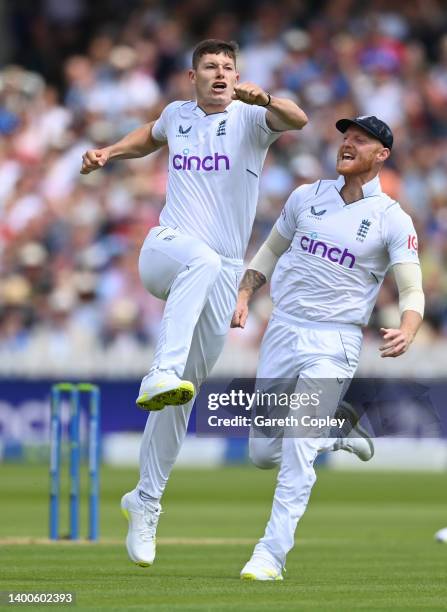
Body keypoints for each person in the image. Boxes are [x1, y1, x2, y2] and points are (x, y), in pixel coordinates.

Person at [80, 39, 308, 567]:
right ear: (193, 76)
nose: (221, 73)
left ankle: (145, 500)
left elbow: (298, 119)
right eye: (211, 66)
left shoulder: (253, 118)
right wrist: (110, 152)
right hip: (167, 248)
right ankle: (158, 370)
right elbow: (149, 136)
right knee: (198, 266)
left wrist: (266, 97)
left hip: (223, 272)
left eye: (229, 66)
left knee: (184, 393)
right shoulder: (176, 115)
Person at [231, 115, 425, 581]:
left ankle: (269, 555)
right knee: (262, 453)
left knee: (298, 445)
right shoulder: (306, 196)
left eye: (361, 140)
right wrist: (243, 293)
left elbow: (412, 288)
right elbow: (271, 250)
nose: (347, 144)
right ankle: (337, 431)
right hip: (283, 330)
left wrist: (409, 327)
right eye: (345, 137)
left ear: (382, 155)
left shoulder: (391, 218)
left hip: (334, 339)